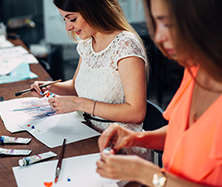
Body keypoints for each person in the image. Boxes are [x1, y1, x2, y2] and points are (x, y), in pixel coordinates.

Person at [96, 0, 222, 186]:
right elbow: (185, 137)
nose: (158, 36)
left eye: (168, 24)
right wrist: (136, 138)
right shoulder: (196, 69)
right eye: (156, 23)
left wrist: (148, 175)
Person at [31, 0, 151, 159]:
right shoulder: (88, 43)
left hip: (119, 146)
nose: (68, 27)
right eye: (64, 19)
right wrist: (50, 87)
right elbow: (76, 86)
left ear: (92, 9)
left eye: (72, 19)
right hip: (86, 133)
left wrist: (79, 103)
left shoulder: (125, 45)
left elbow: (136, 113)